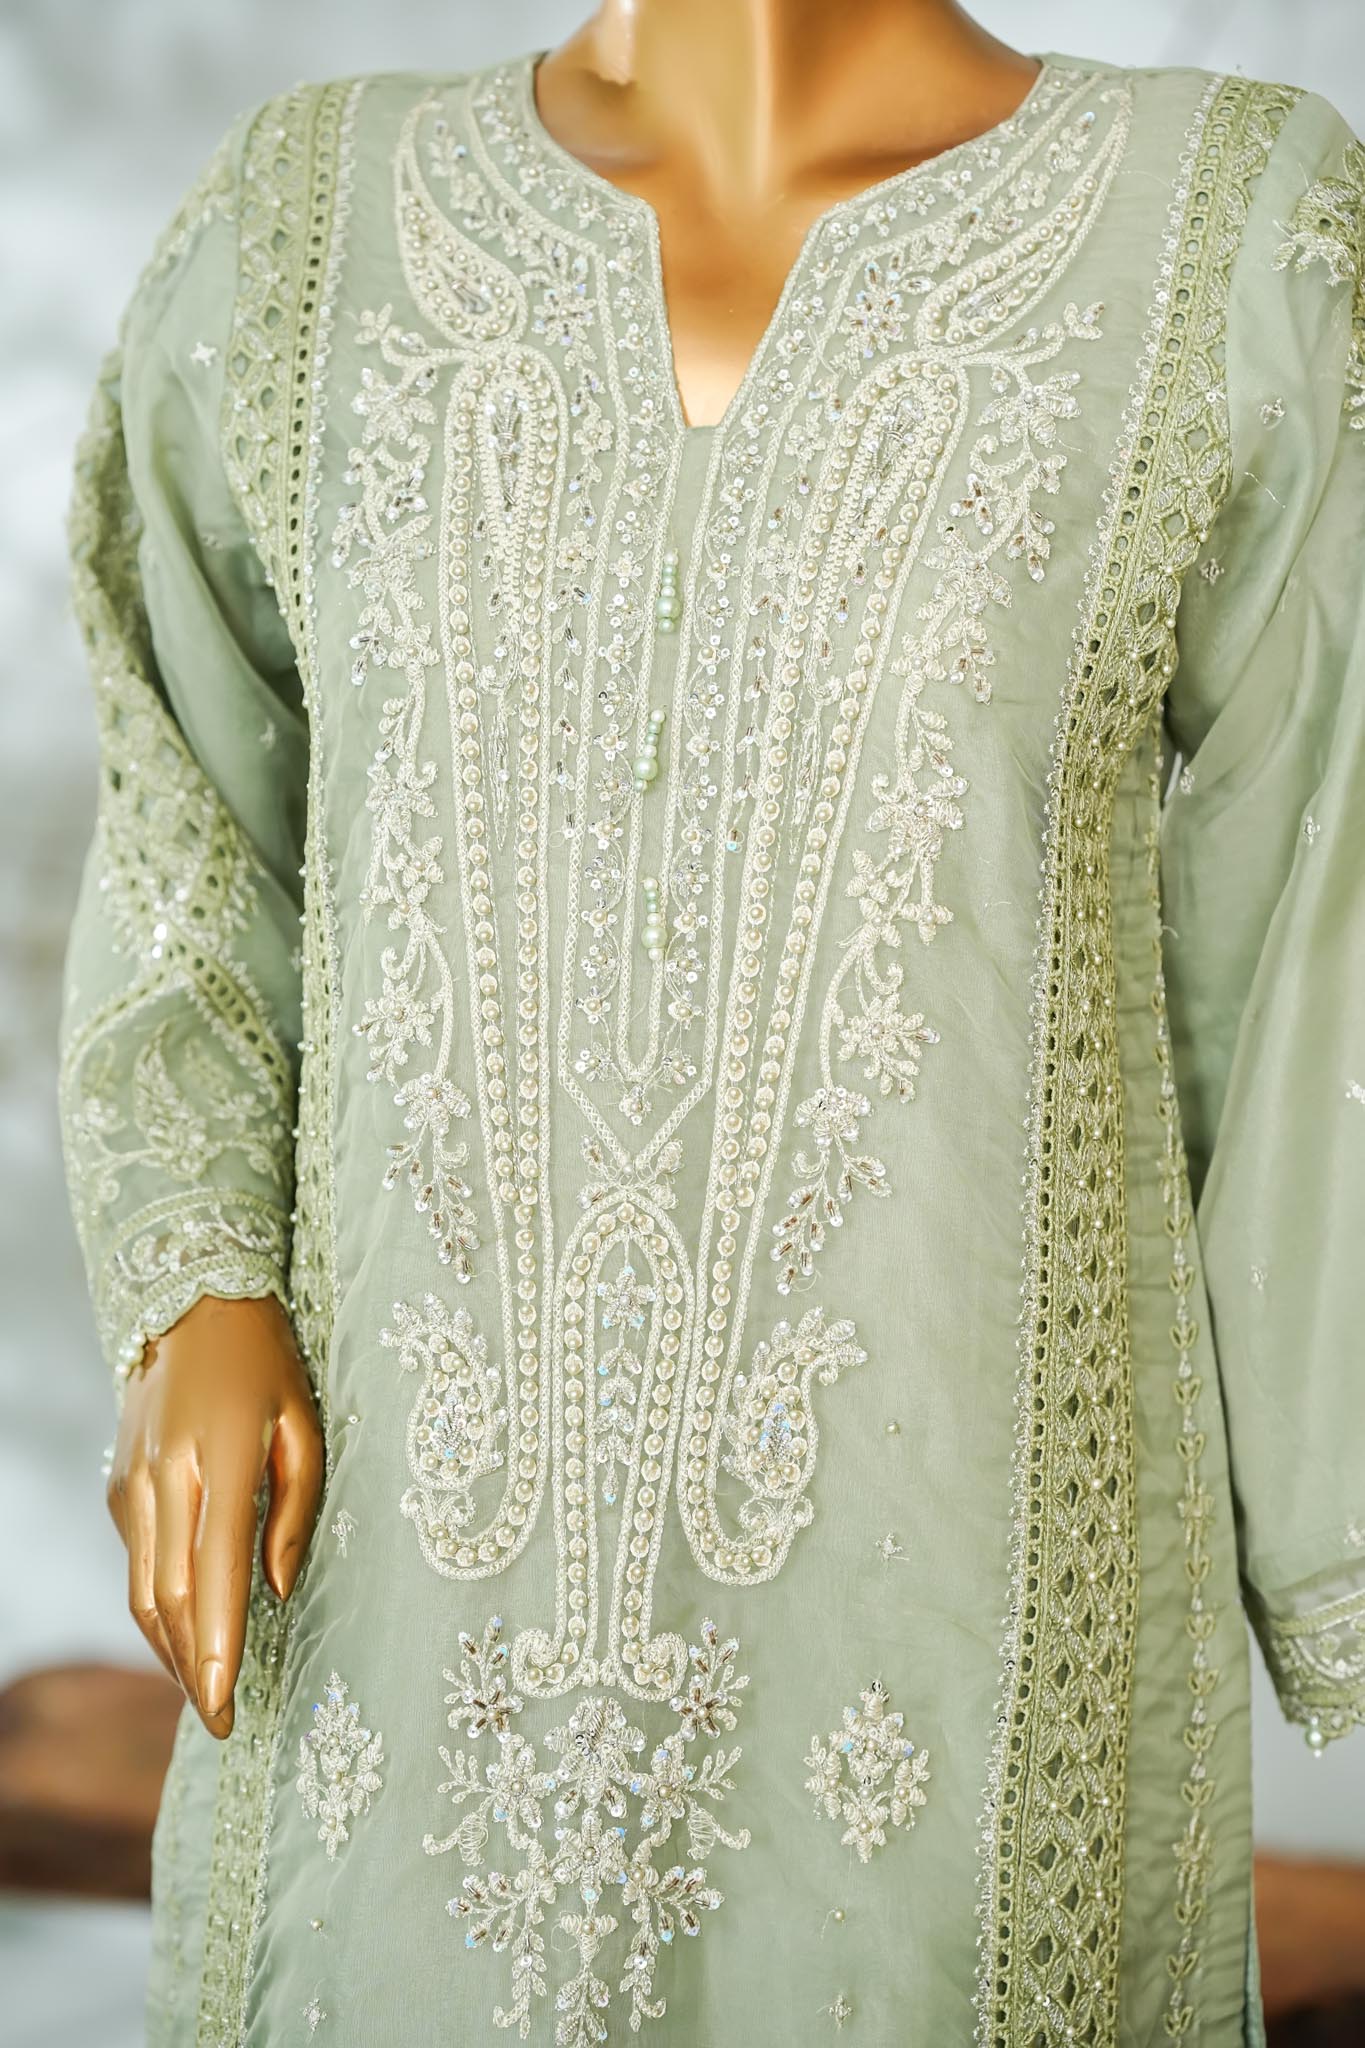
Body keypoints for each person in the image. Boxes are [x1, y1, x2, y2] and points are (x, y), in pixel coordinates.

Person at [57, 1, 1365, 2040]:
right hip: (395, 1593)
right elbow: (192, 802)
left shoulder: (1222, 236)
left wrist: (1323, 1524)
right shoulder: (306, 231)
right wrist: (195, 1281)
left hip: (958, 1607)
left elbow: (1314, 917)